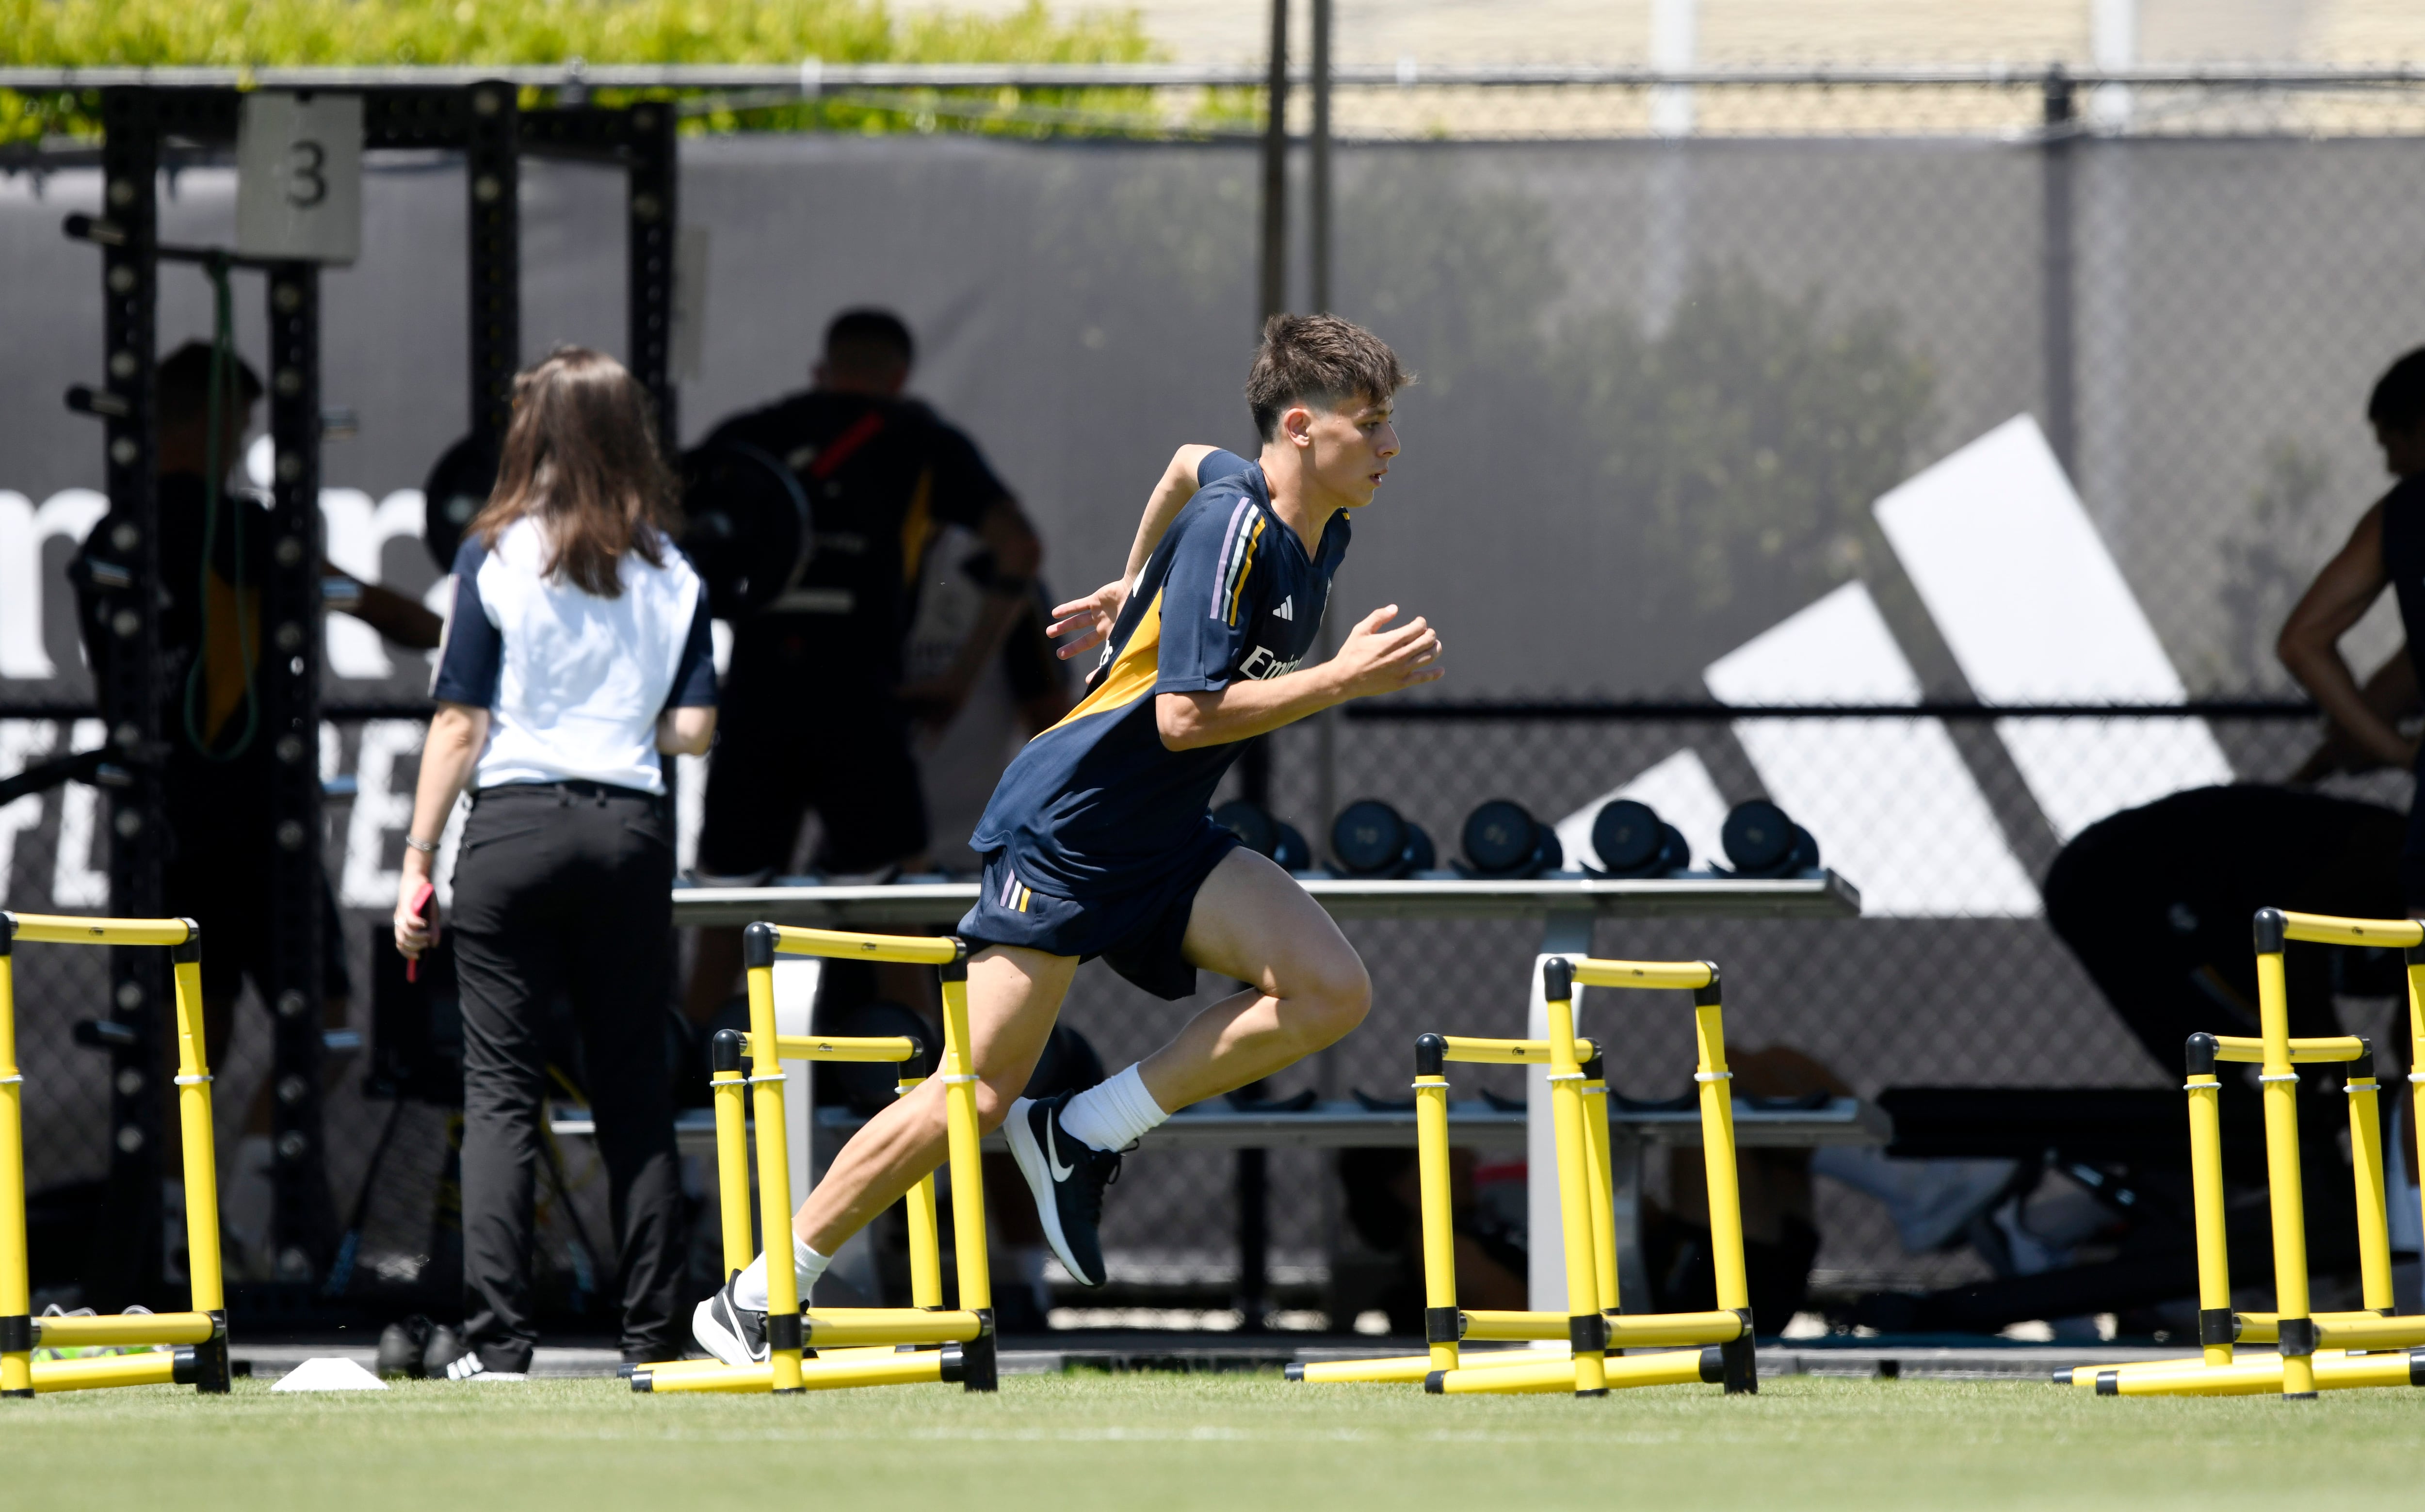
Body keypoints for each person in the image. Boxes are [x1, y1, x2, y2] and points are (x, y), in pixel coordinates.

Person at [694, 313, 1436, 1362]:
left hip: (1162, 833)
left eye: (1392, 422)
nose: (1391, 446)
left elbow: (1186, 461)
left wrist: (1131, 580)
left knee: (1327, 988)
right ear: (1304, 427)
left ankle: (1083, 1130)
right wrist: (1342, 679)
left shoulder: (1314, 519)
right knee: (974, 1090)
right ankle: (759, 1289)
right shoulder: (1242, 530)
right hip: (1071, 826)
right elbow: (1184, 716)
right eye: (1373, 424)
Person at [69, 339, 441, 1275]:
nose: (247, 440)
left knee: (196, 1026)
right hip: (241, 817)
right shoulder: (226, 532)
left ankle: (191, 1229)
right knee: (309, 1019)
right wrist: (472, 637)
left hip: (161, 819)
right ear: (214, 419)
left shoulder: (112, 540)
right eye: (241, 423)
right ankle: (216, 1225)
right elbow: (370, 606)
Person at [392, 347, 718, 1378]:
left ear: (534, 434)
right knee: (634, 1087)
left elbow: (458, 721)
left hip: (513, 827)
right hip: (627, 828)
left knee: (500, 1089)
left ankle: (499, 1344)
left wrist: (416, 860)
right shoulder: (675, 571)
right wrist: (616, 720)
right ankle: (656, 1334)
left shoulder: (495, 558)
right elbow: (697, 729)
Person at [680, 309, 1043, 1028]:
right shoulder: (922, 440)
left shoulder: (753, 435)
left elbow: (665, 533)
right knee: (895, 918)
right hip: (861, 704)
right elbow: (1019, 549)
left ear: (822, 368)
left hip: (758, 701)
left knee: (724, 912)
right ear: (900, 377)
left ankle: (690, 1083)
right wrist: (962, 676)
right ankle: (907, 1098)